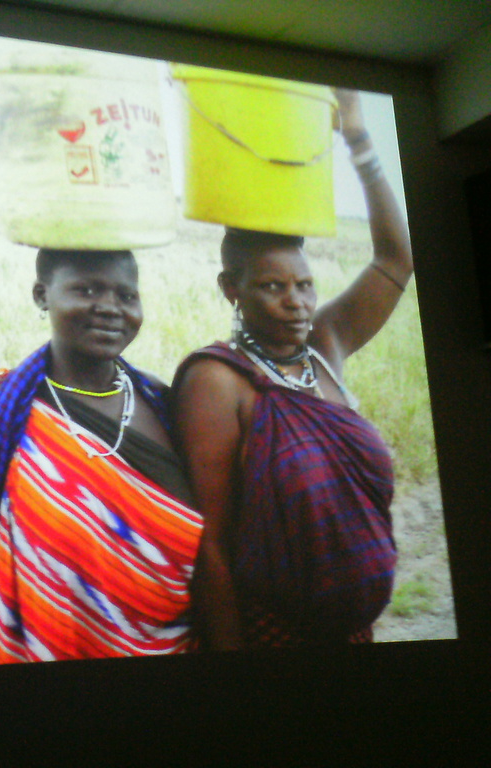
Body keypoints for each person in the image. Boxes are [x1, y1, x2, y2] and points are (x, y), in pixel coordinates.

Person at [171, 90, 412, 650]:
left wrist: (358, 138)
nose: (296, 302)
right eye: (272, 286)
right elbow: (211, 541)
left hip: (355, 632)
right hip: (274, 637)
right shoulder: (218, 380)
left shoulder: (325, 345)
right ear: (231, 289)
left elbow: (395, 259)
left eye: (304, 285)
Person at [0, 249, 204, 666]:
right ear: (42, 295)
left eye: (126, 295)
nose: (110, 308)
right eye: (87, 290)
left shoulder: (161, 402)